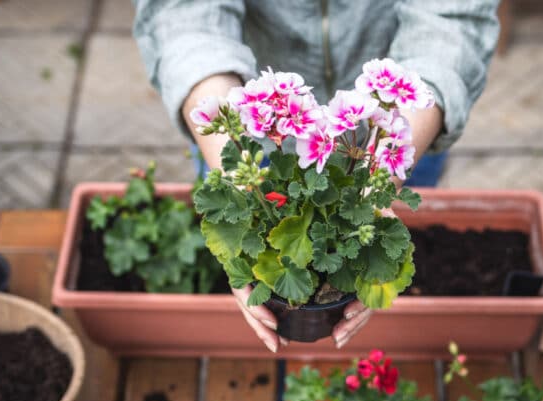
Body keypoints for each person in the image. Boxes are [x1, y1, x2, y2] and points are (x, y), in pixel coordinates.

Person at [132, 0, 499, 352]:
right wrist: (235, 173)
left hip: (404, 130)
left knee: (386, 247)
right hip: (247, 134)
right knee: (237, 217)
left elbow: (454, 16)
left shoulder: (391, 136)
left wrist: (379, 181)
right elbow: (181, 13)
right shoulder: (244, 138)